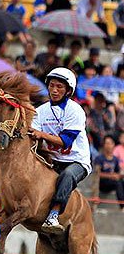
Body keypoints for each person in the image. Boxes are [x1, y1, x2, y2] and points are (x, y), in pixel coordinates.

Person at [28, 67, 92, 233]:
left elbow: (65, 141)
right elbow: (33, 137)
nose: (54, 90)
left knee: (68, 175)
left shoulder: (75, 110)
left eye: (59, 87)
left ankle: (54, 215)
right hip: (53, 160)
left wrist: (41, 134)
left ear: (68, 90)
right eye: (52, 86)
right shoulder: (39, 111)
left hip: (76, 161)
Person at [94, 135, 123, 211]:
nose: (109, 146)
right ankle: (122, 206)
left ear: (113, 145)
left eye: (111, 143)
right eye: (107, 143)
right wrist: (110, 176)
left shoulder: (115, 159)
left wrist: (118, 175)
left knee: (120, 182)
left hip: (112, 183)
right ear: (103, 145)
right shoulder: (99, 158)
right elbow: (97, 174)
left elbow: (118, 172)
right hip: (102, 184)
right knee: (117, 182)